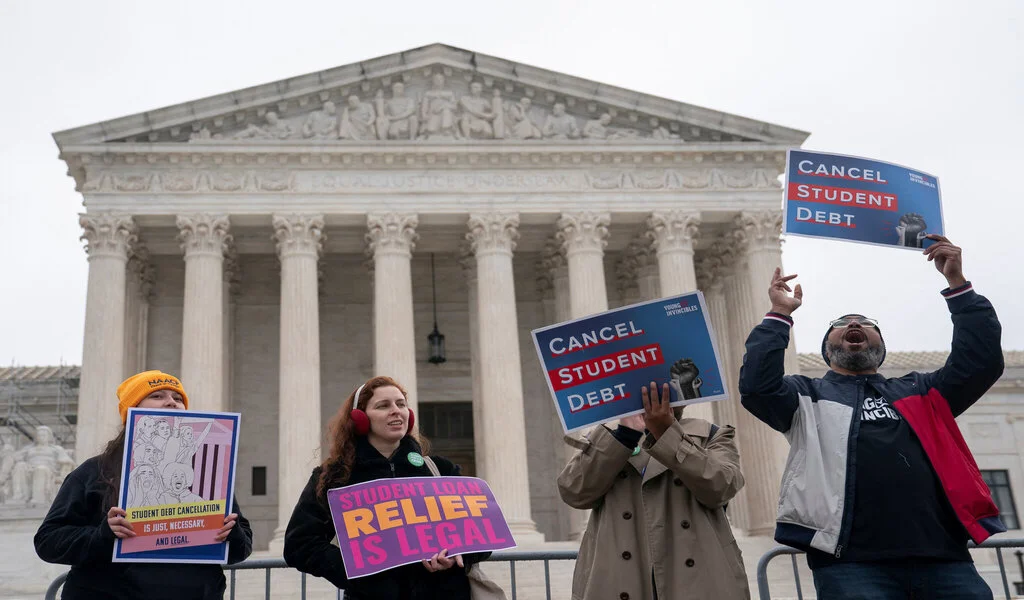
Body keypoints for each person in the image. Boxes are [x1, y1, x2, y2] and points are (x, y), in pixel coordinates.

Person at [739, 234, 1004, 599]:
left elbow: (981, 362)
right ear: (828, 348)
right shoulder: (807, 397)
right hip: (851, 566)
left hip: (943, 559)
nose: (855, 324)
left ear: (879, 349)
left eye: (867, 323)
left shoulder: (922, 393)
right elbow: (757, 387)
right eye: (843, 323)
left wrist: (957, 285)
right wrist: (779, 316)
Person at [34, 370, 253, 600]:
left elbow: (243, 546)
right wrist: (102, 536)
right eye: (158, 396)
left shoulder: (208, 477)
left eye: (178, 399)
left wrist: (232, 534)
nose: (171, 402)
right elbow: (48, 540)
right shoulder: (94, 471)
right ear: (132, 411)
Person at [284, 375, 491, 599]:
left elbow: (483, 535)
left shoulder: (440, 470)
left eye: (401, 404)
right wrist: (358, 570)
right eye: (383, 406)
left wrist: (458, 555)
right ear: (360, 419)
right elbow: (300, 544)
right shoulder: (334, 477)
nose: (396, 410)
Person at [558, 382, 750, 600]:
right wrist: (623, 437)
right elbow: (574, 491)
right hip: (617, 580)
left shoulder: (712, 436)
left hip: (700, 582)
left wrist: (668, 435)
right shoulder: (608, 438)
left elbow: (721, 487)